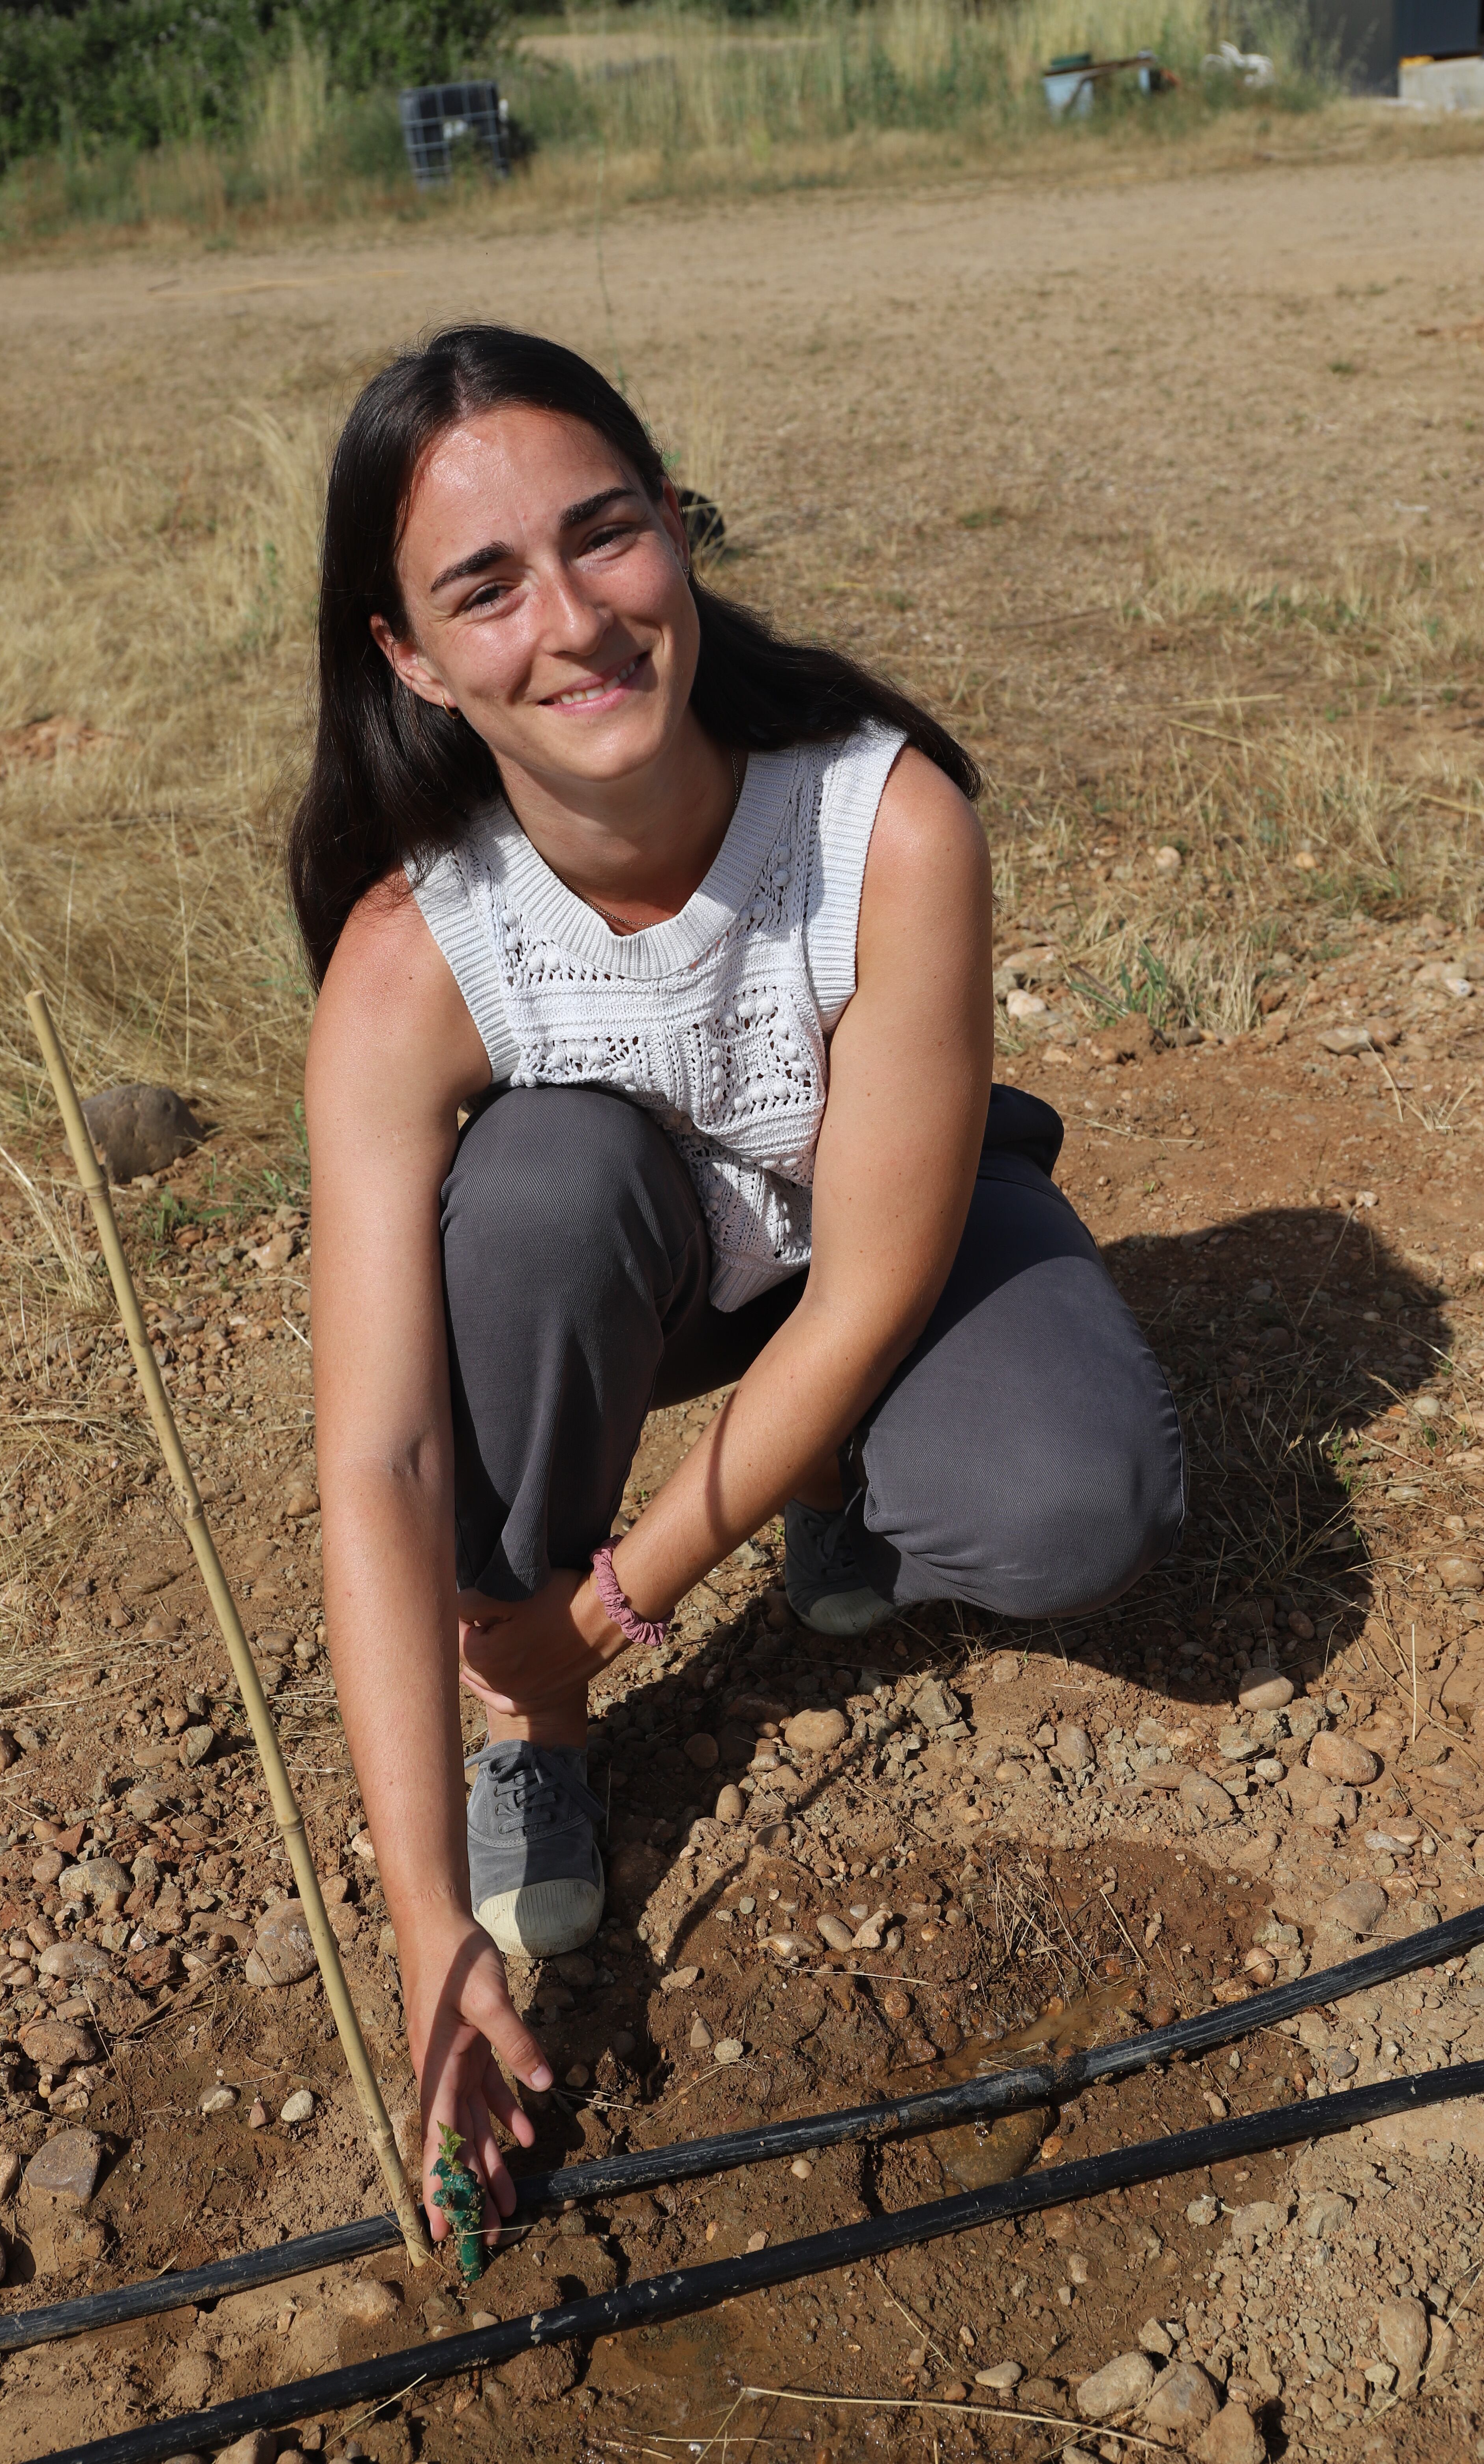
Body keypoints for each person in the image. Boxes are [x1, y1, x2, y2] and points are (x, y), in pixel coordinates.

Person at [291, 324, 1184, 2246]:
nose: (575, 621)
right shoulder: (408, 957)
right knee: (540, 1180)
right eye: (483, 588)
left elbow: (869, 1285)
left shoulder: (881, 815)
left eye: (604, 535)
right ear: (410, 659)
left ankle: (840, 1495)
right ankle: (540, 1731)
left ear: (677, 533)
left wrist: (621, 1598)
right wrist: (424, 1903)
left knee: (1070, 1501)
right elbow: (374, 1459)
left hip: (890, 1251)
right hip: (658, 1274)